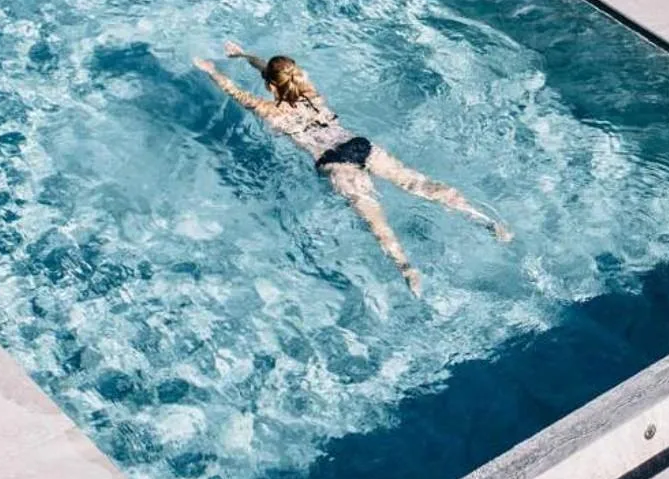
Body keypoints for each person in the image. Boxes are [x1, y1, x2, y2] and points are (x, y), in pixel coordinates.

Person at [195, 43, 510, 293]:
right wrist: (246, 54)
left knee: (377, 222)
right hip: (361, 145)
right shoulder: (309, 92)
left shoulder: (270, 110)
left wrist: (212, 70)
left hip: (336, 164)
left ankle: (407, 269)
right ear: (295, 75)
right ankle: (485, 221)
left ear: (268, 86)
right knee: (420, 184)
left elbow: (235, 92)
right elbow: (278, 72)